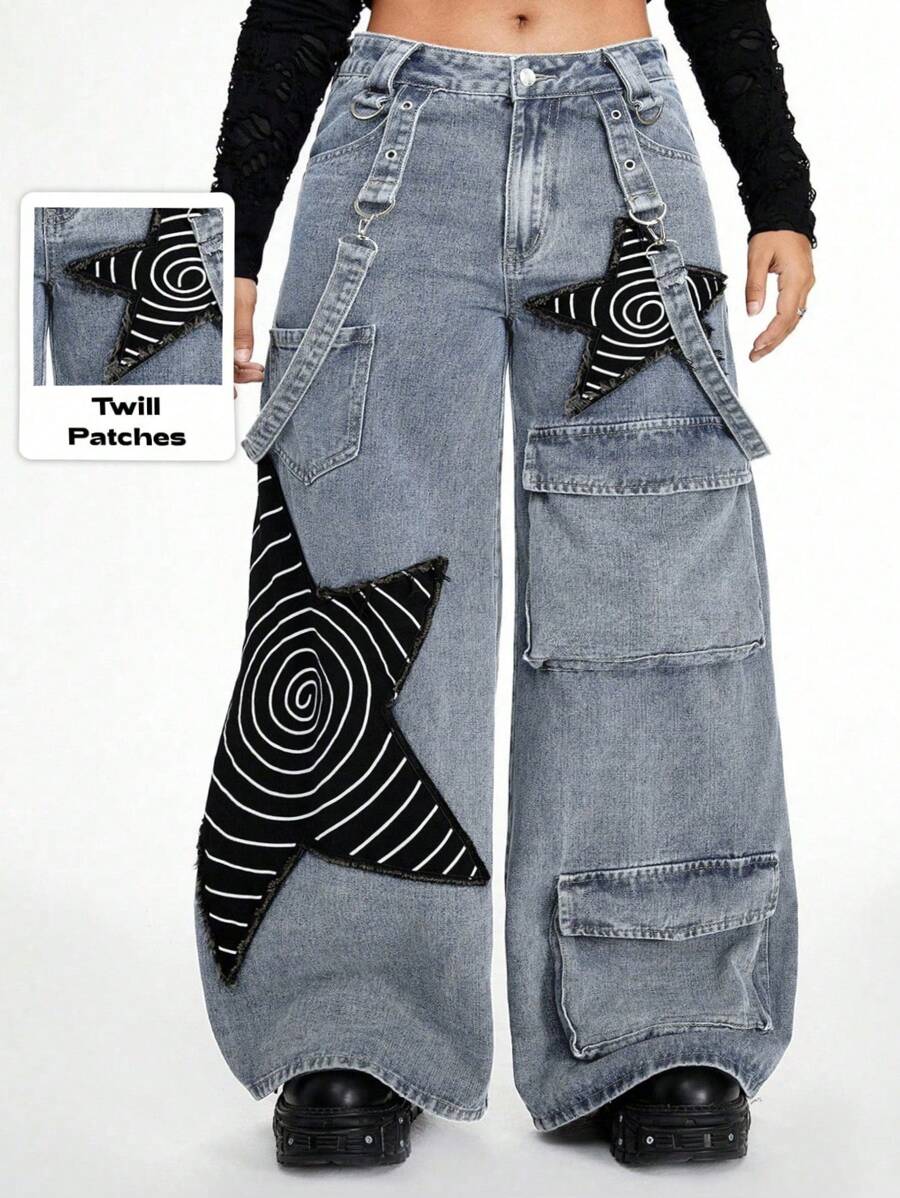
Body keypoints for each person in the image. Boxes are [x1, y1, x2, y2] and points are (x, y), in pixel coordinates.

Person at [197, 0, 814, 1168]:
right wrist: (233, 227)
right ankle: (352, 1016)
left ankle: (658, 1012)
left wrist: (778, 190)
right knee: (364, 572)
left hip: (624, 149)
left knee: (651, 594)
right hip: (394, 147)